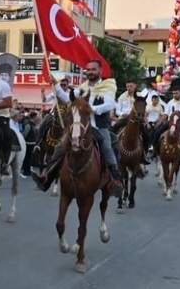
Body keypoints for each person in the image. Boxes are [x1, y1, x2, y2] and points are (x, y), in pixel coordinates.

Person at [33, 60, 124, 197]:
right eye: (88, 70)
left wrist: (91, 109)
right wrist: (56, 85)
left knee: (106, 146)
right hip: (80, 127)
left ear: (100, 71)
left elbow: (110, 104)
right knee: (60, 146)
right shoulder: (82, 88)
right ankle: (47, 177)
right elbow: (66, 98)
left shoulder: (108, 86)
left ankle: (116, 180)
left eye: (93, 69)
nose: (90, 72)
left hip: (98, 126)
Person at [111, 79, 151, 163]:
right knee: (113, 129)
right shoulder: (122, 96)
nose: (129, 88)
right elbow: (117, 110)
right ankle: (112, 151)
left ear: (135, 86)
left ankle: (144, 155)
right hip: (125, 118)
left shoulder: (140, 96)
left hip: (136, 119)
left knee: (146, 135)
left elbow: (144, 109)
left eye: (131, 86)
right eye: (127, 86)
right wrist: (123, 113)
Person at [152, 86, 180, 165]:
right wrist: (159, 122)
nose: (175, 95)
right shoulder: (170, 102)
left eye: (176, 93)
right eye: (173, 93)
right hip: (170, 122)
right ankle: (155, 151)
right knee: (157, 133)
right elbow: (166, 114)